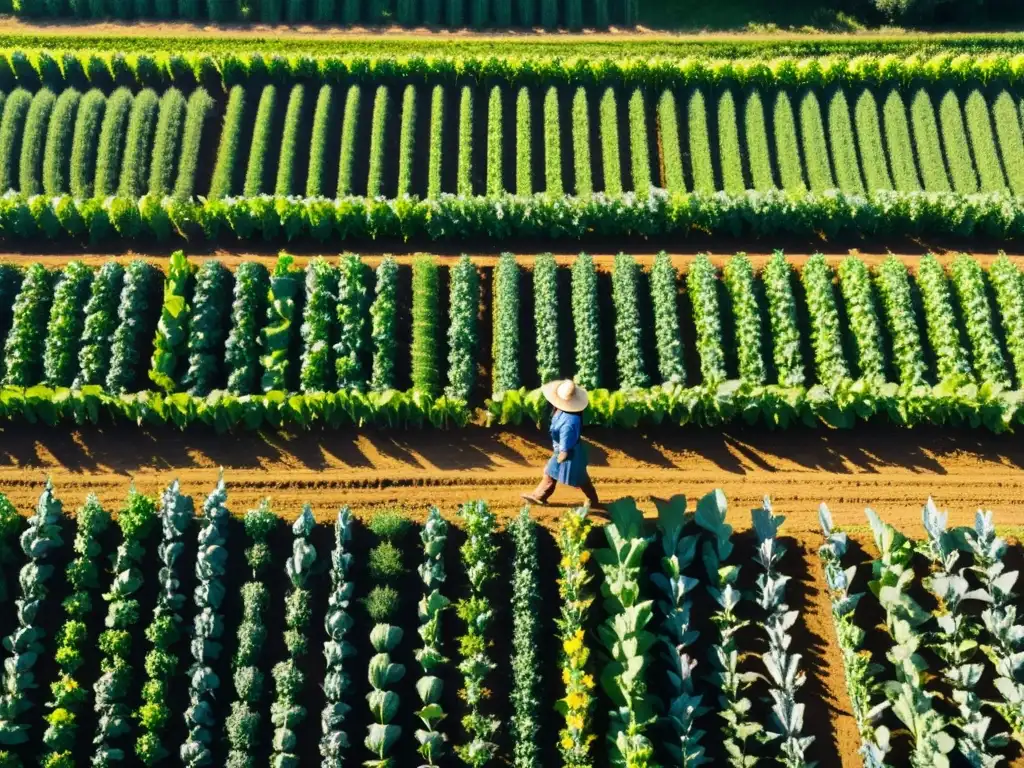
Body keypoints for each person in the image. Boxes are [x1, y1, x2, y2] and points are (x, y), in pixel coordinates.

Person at [521, 379, 601, 509]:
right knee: (557, 474)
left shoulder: (570, 421)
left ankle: (592, 501)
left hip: (570, 452)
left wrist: (563, 452)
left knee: (575, 477)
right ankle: (540, 496)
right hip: (569, 451)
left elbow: (566, 437)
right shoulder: (562, 412)